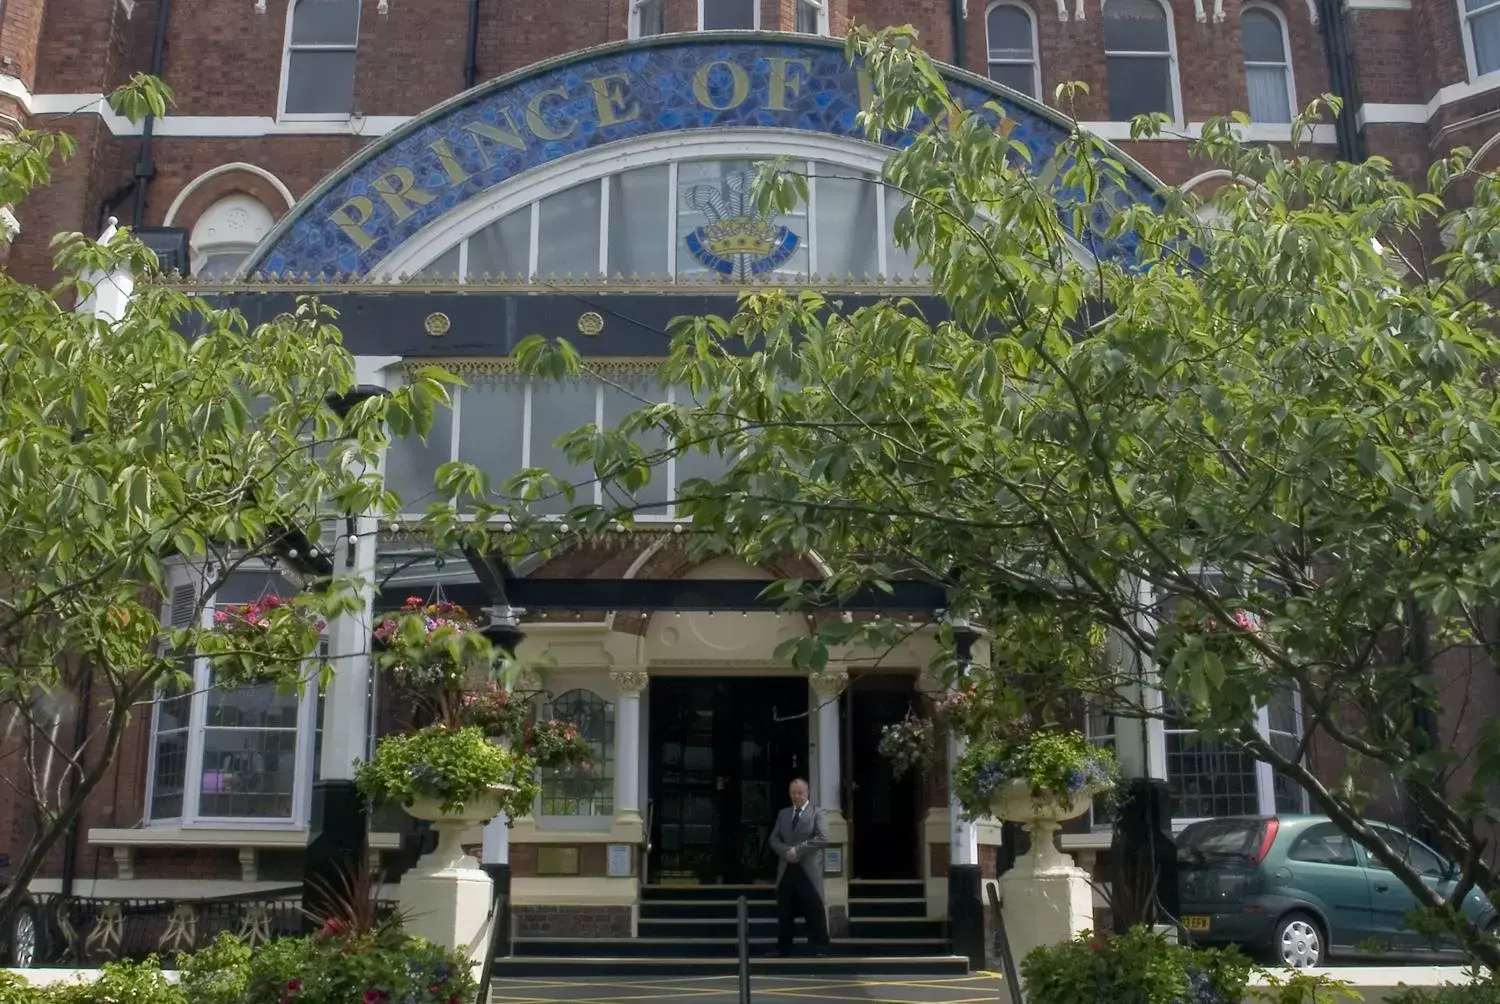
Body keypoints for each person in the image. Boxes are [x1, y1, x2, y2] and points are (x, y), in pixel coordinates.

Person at [767, 777, 830, 957]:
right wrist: (787, 851)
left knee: (814, 908)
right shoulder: (783, 814)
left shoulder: (818, 813)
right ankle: (783, 948)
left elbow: (823, 838)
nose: (796, 796)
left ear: (807, 792)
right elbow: (773, 839)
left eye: (800, 793)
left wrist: (799, 850)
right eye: (793, 793)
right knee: (785, 910)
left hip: (808, 869)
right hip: (787, 868)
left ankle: (820, 948)